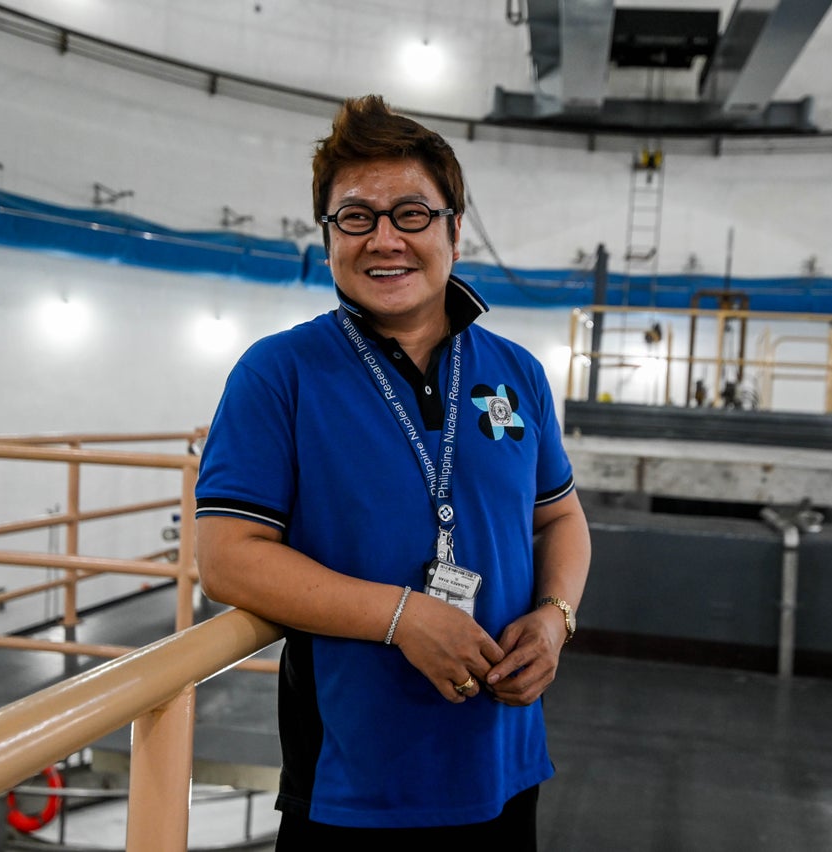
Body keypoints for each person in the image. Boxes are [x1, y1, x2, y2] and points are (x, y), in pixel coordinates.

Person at [194, 94, 591, 849]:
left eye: (411, 213)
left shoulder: (516, 374)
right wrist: (403, 617)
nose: (385, 239)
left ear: (454, 230)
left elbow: (559, 517)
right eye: (355, 217)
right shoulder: (280, 374)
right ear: (328, 235)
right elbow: (227, 559)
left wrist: (555, 617)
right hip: (352, 788)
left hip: (504, 764)